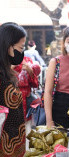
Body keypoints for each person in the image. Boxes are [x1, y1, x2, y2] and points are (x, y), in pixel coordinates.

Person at [0, 22, 26, 156]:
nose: (22, 52)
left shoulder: (6, 72)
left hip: (12, 143)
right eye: (21, 47)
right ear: (9, 46)